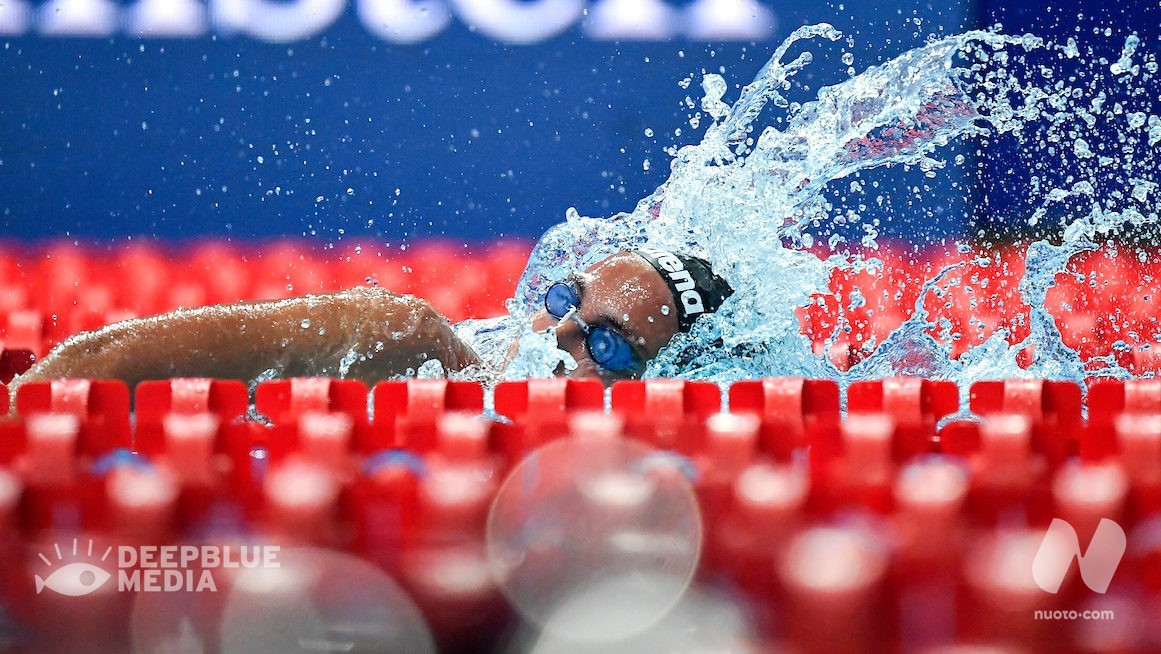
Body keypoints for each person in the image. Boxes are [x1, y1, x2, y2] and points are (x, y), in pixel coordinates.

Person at [11, 247, 732, 391]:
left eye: (604, 344)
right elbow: (89, 369)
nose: (558, 338)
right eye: (563, 303)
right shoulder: (403, 337)